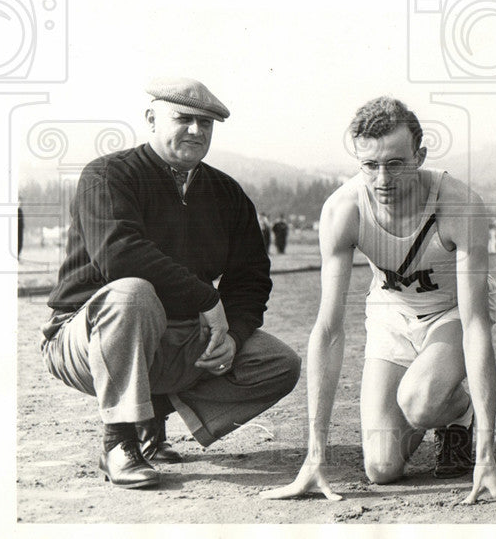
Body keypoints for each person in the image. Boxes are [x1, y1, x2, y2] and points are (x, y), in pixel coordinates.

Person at [262, 96, 496, 504]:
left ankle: (459, 411)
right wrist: (314, 457)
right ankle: (443, 405)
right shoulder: (342, 209)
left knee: (419, 403)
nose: (382, 179)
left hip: (451, 310)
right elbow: (329, 329)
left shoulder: (459, 205)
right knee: (381, 469)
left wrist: (486, 458)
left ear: (419, 156)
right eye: (370, 166)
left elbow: (477, 325)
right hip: (391, 313)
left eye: (395, 164)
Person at [40, 78, 301, 489]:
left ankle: (152, 411)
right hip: (84, 336)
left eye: (207, 124)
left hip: (171, 340)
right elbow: (119, 255)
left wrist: (233, 333)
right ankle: (120, 440)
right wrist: (206, 297)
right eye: (183, 119)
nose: (197, 131)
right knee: (133, 293)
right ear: (151, 119)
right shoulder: (108, 175)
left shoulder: (227, 193)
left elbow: (251, 277)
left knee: (277, 363)